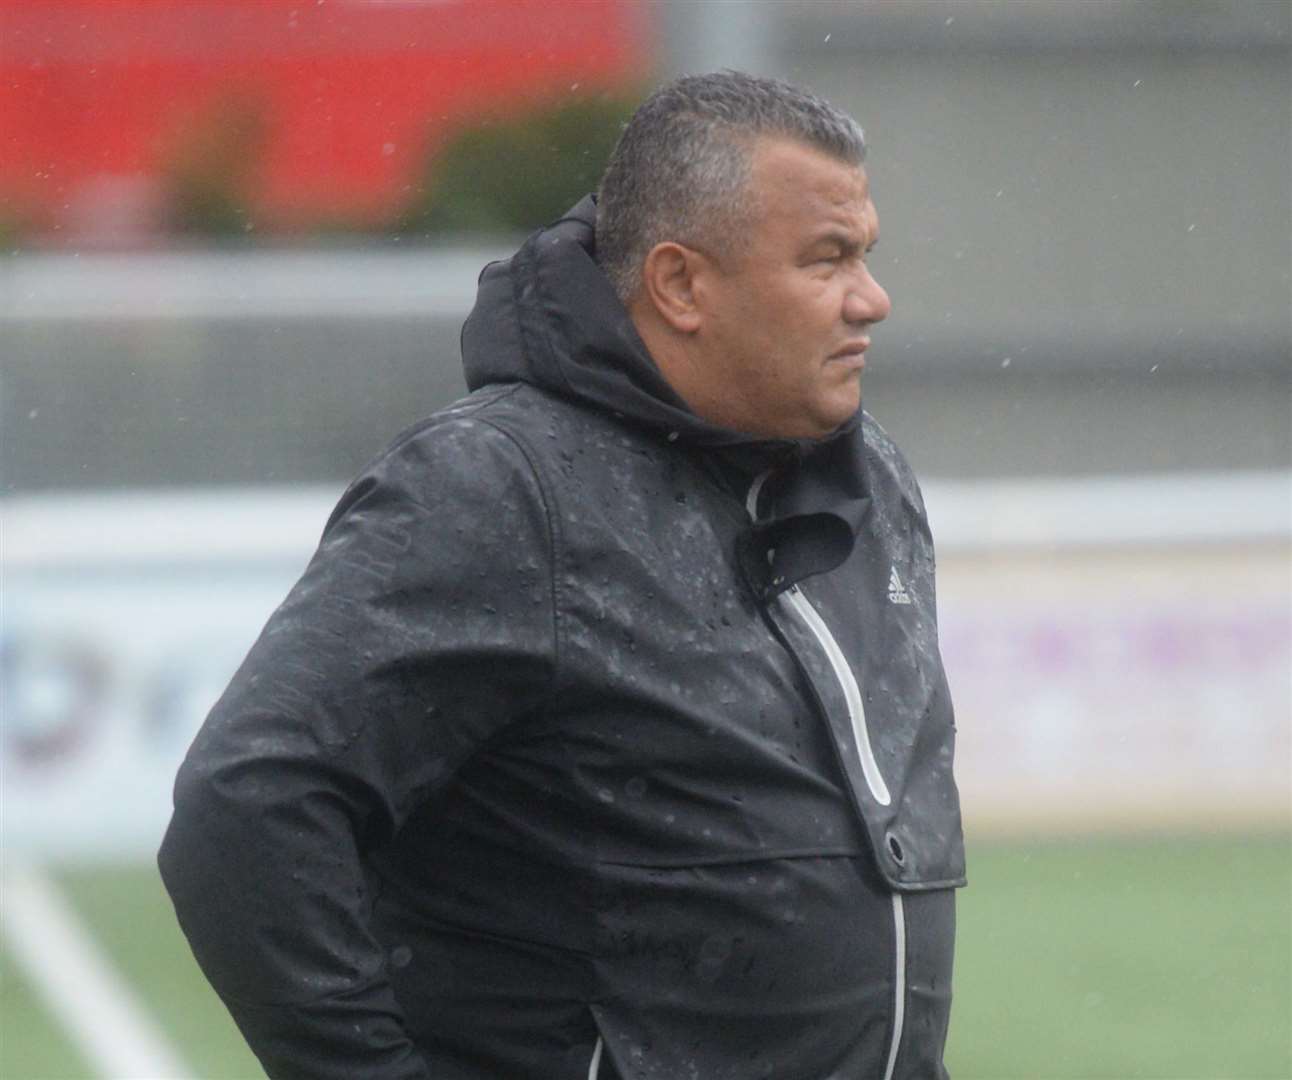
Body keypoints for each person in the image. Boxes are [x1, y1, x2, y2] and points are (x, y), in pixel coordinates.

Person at [160, 70, 966, 1080]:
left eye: (866, 255)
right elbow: (249, 803)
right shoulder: (500, 485)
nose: (872, 298)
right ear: (679, 285)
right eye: (826, 259)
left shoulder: (866, 476)